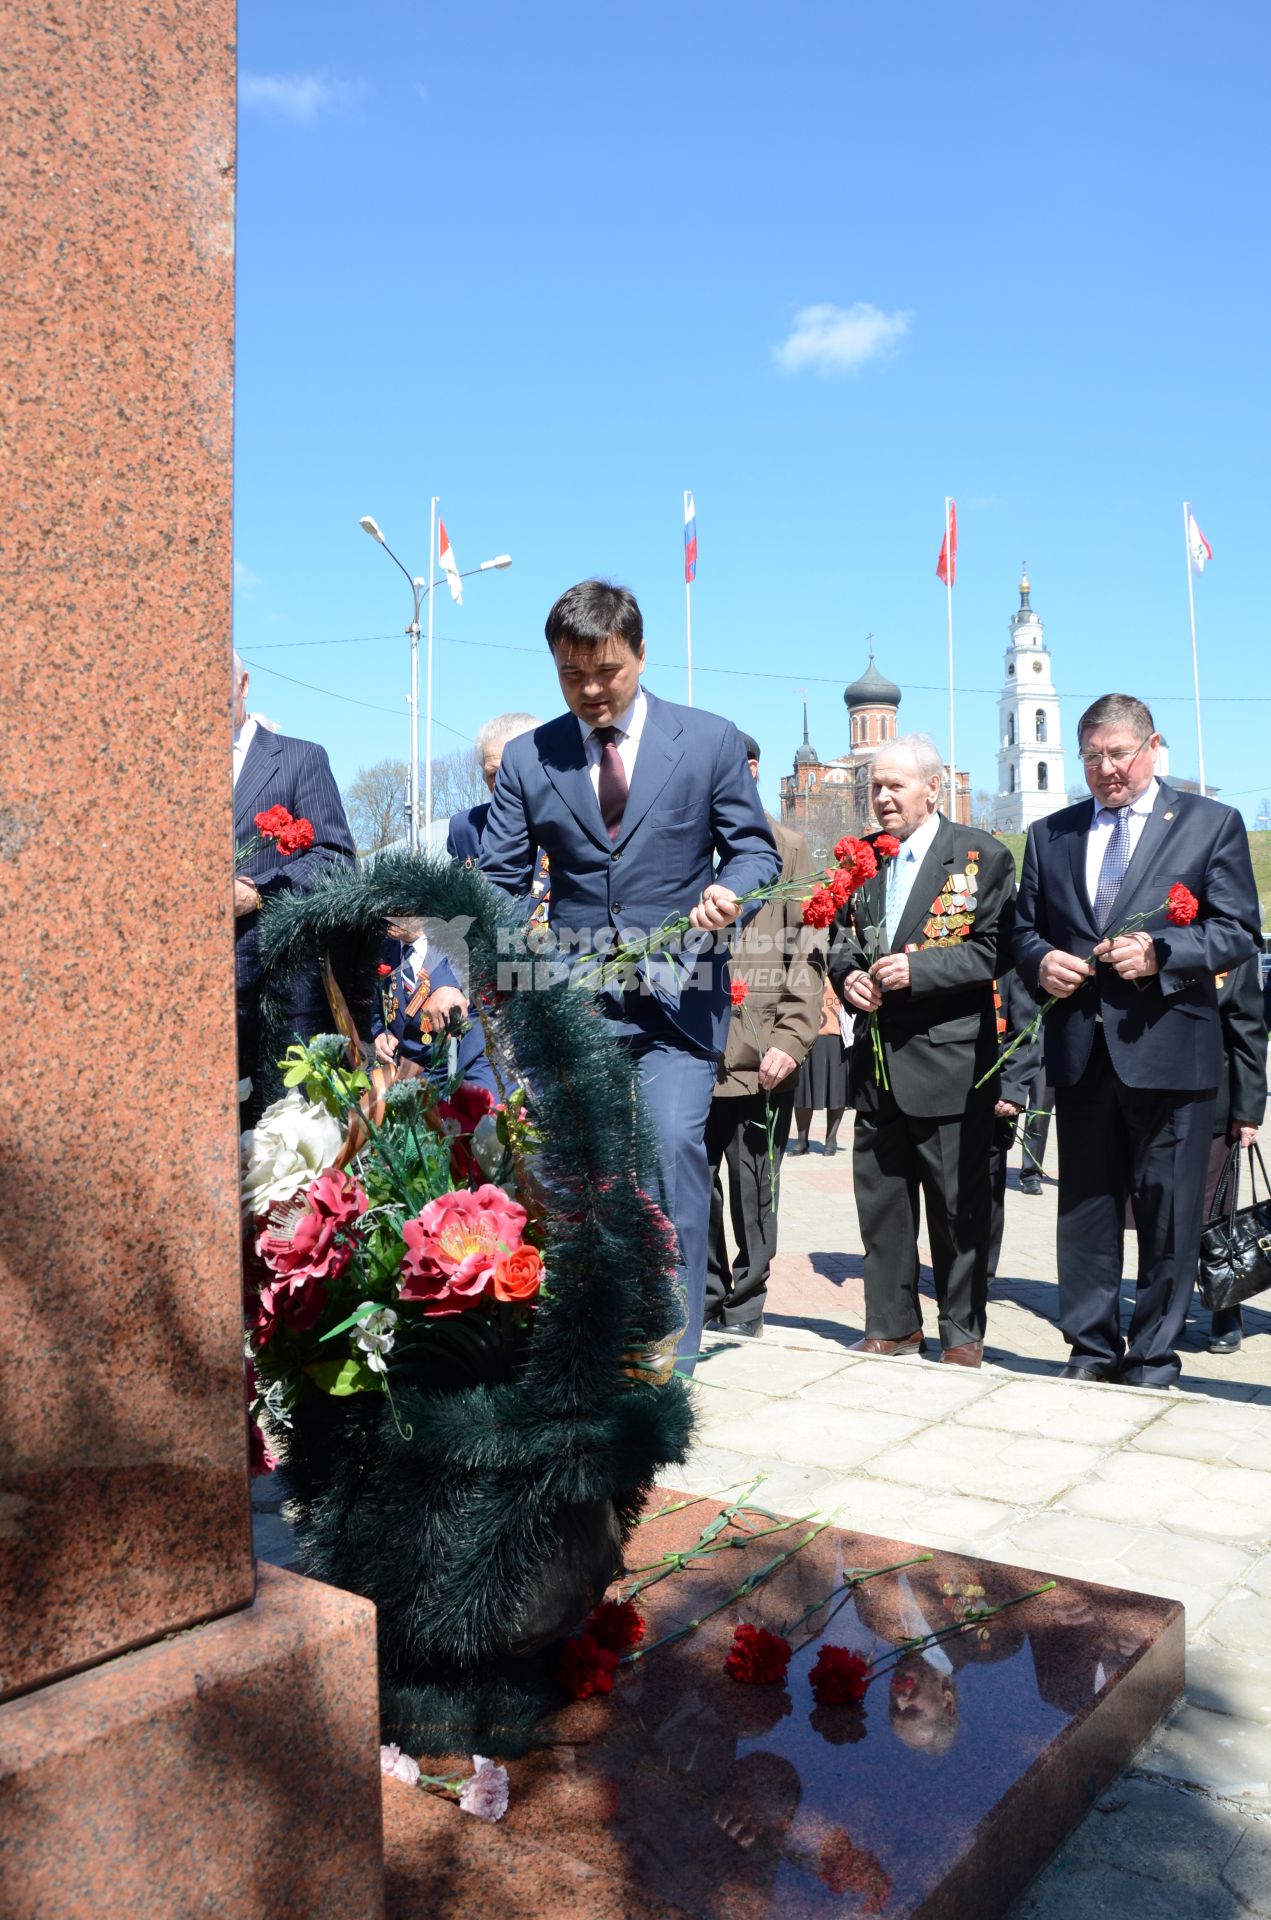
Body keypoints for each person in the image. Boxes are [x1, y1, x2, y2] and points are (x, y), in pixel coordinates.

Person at [480, 580, 779, 1358]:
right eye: (570, 676)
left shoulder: (707, 741)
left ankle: (670, 1350)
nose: (589, 692)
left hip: (681, 997)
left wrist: (729, 891)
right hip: (576, 1001)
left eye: (605, 672)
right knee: (578, 1163)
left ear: (640, 656)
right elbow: (499, 884)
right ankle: (592, 1333)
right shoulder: (527, 757)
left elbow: (754, 850)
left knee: (670, 1142)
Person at [1013, 692, 1260, 1387]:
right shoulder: (1050, 834)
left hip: (1170, 1051)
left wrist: (1162, 950)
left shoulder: (1209, 824)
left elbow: (1237, 930)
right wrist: (1039, 962)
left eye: (1117, 752)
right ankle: (1090, 1350)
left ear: (1153, 747)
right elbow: (1023, 931)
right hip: (1083, 1054)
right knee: (1085, 1211)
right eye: (1090, 756)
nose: (1104, 768)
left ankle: (1152, 1355)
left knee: (1167, 1214)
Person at [828, 735, 1016, 1367]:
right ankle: (891, 1322)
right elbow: (839, 939)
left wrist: (921, 971)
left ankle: (961, 1333)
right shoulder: (862, 859)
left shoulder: (978, 855)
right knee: (880, 1200)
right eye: (874, 787)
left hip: (948, 1063)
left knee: (957, 1207)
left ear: (932, 788)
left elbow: (993, 950)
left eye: (894, 786)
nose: (881, 798)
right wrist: (847, 976)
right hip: (877, 1062)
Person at [705, 734, 821, 1338]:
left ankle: (746, 1304)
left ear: (751, 769)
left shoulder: (788, 847)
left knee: (754, 1187)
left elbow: (807, 948)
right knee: (692, 1184)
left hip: (760, 1053)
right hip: (692, 1052)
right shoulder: (686, 842)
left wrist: (793, 1036)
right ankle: (702, 1296)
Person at [233, 653, 355, 1113]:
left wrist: (256, 892)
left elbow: (336, 860)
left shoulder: (300, 759)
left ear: (244, 684)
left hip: (278, 996)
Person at [1195, 957, 1266, 1354]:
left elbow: (1247, 1029)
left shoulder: (1231, 940)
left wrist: (1248, 1111)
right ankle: (1162, 1309)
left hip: (1214, 1106)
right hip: (1152, 1104)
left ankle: (1226, 1304)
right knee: (1162, 1213)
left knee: (1212, 1215)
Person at [369, 918, 497, 1096]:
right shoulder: (386, 946)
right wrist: (382, 1033)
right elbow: (379, 1007)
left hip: (462, 1068)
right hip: (411, 1076)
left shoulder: (458, 940)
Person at [986, 972, 1044, 1287]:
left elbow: (1027, 1027)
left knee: (987, 1184)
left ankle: (980, 1273)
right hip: (943, 1087)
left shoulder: (1010, 963)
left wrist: (1012, 1088)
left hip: (994, 1093)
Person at [446, 713, 541, 862]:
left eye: (511, 770)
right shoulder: (466, 830)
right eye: (493, 773)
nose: (502, 782)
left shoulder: (575, 822)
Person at [790, 976, 850, 1157]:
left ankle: (831, 1138)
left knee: (836, 1091)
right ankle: (802, 1140)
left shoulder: (842, 971)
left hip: (836, 1037)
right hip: (808, 1037)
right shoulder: (807, 973)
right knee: (803, 1091)